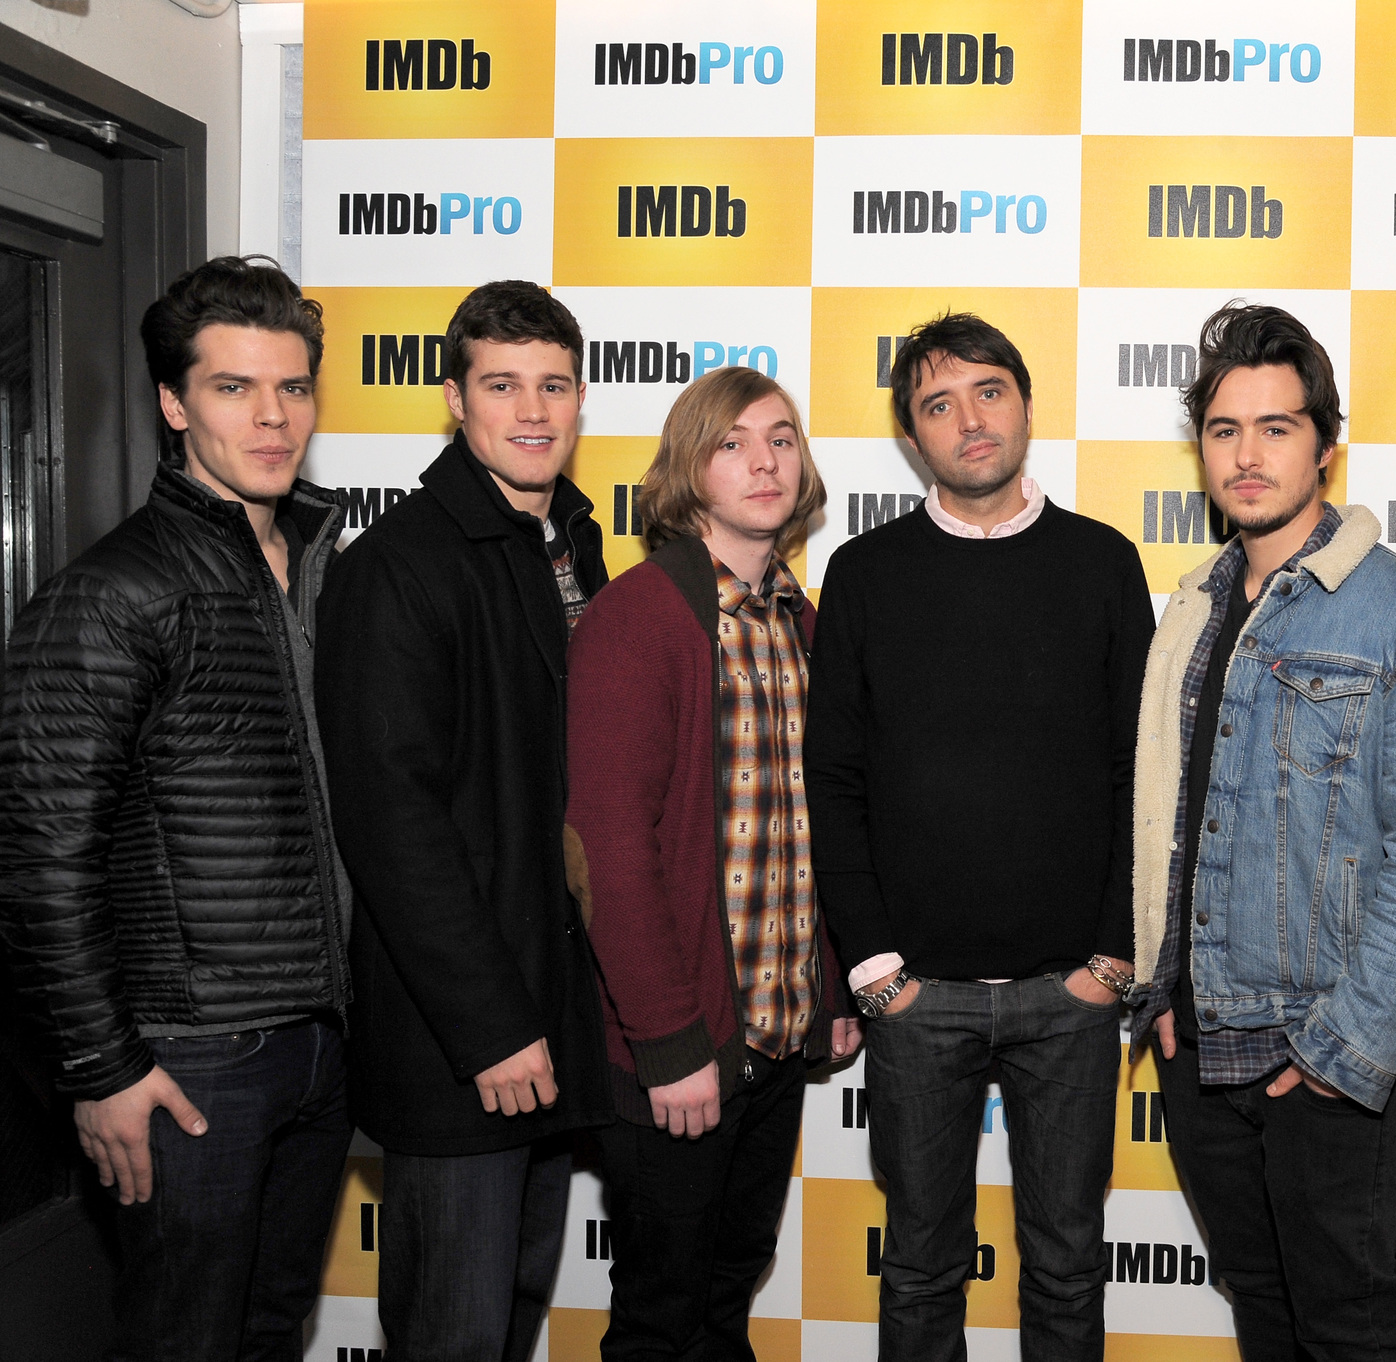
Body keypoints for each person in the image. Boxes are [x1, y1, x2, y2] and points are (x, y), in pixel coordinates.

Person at [0, 256, 351, 1360]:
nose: (271, 416)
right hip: (188, 1057)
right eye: (233, 387)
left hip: (318, 1037)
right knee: (182, 1339)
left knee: (266, 1328)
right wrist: (100, 1067)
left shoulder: (317, 568)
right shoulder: (113, 592)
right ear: (172, 402)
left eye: (292, 388)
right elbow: (38, 857)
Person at [1127, 302, 1396, 1360]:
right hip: (1201, 1046)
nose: (1246, 454)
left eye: (1275, 427)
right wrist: (1163, 992)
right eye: (1224, 429)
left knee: (1350, 1327)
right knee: (1266, 1321)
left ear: (1326, 445)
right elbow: (1171, 812)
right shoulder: (1192, 605)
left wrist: (1349, 1047)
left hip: (1324, 1053)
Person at [806, 312, 1154, 1360]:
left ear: (1026, 404)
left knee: (1065, 1263)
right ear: (913, 436)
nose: (968, 420)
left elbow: (1141, 774)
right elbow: (834, 777)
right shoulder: (865, 575)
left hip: (1071, 996)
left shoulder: (1101, 561)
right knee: (917, 1268)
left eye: (987, 391)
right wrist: (873, 969)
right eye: (937, 403)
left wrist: (1111, 957)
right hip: (917, 1003)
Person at [316, 281, 612, 1360]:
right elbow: (393, 826)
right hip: (466, 1048)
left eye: (553, 384)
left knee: (510, 1320)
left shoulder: (572, 544)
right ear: (454, 399)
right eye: (501, 385)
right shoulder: (398, 567)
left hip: (557, 1027)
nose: (532, 410)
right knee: (452, 1331)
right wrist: (491, 1027)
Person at [565, 365, 860, 1358]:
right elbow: (607, 846)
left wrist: (831, 992)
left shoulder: (802, 625)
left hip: (775, 1040)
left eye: (779, 437)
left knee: (727, 1294)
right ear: (688, 469)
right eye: (730, 442)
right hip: (680, 1049)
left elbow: (813, 831)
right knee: (660, 1315)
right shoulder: (639, 617)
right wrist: (666, 1041)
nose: (763, 460)